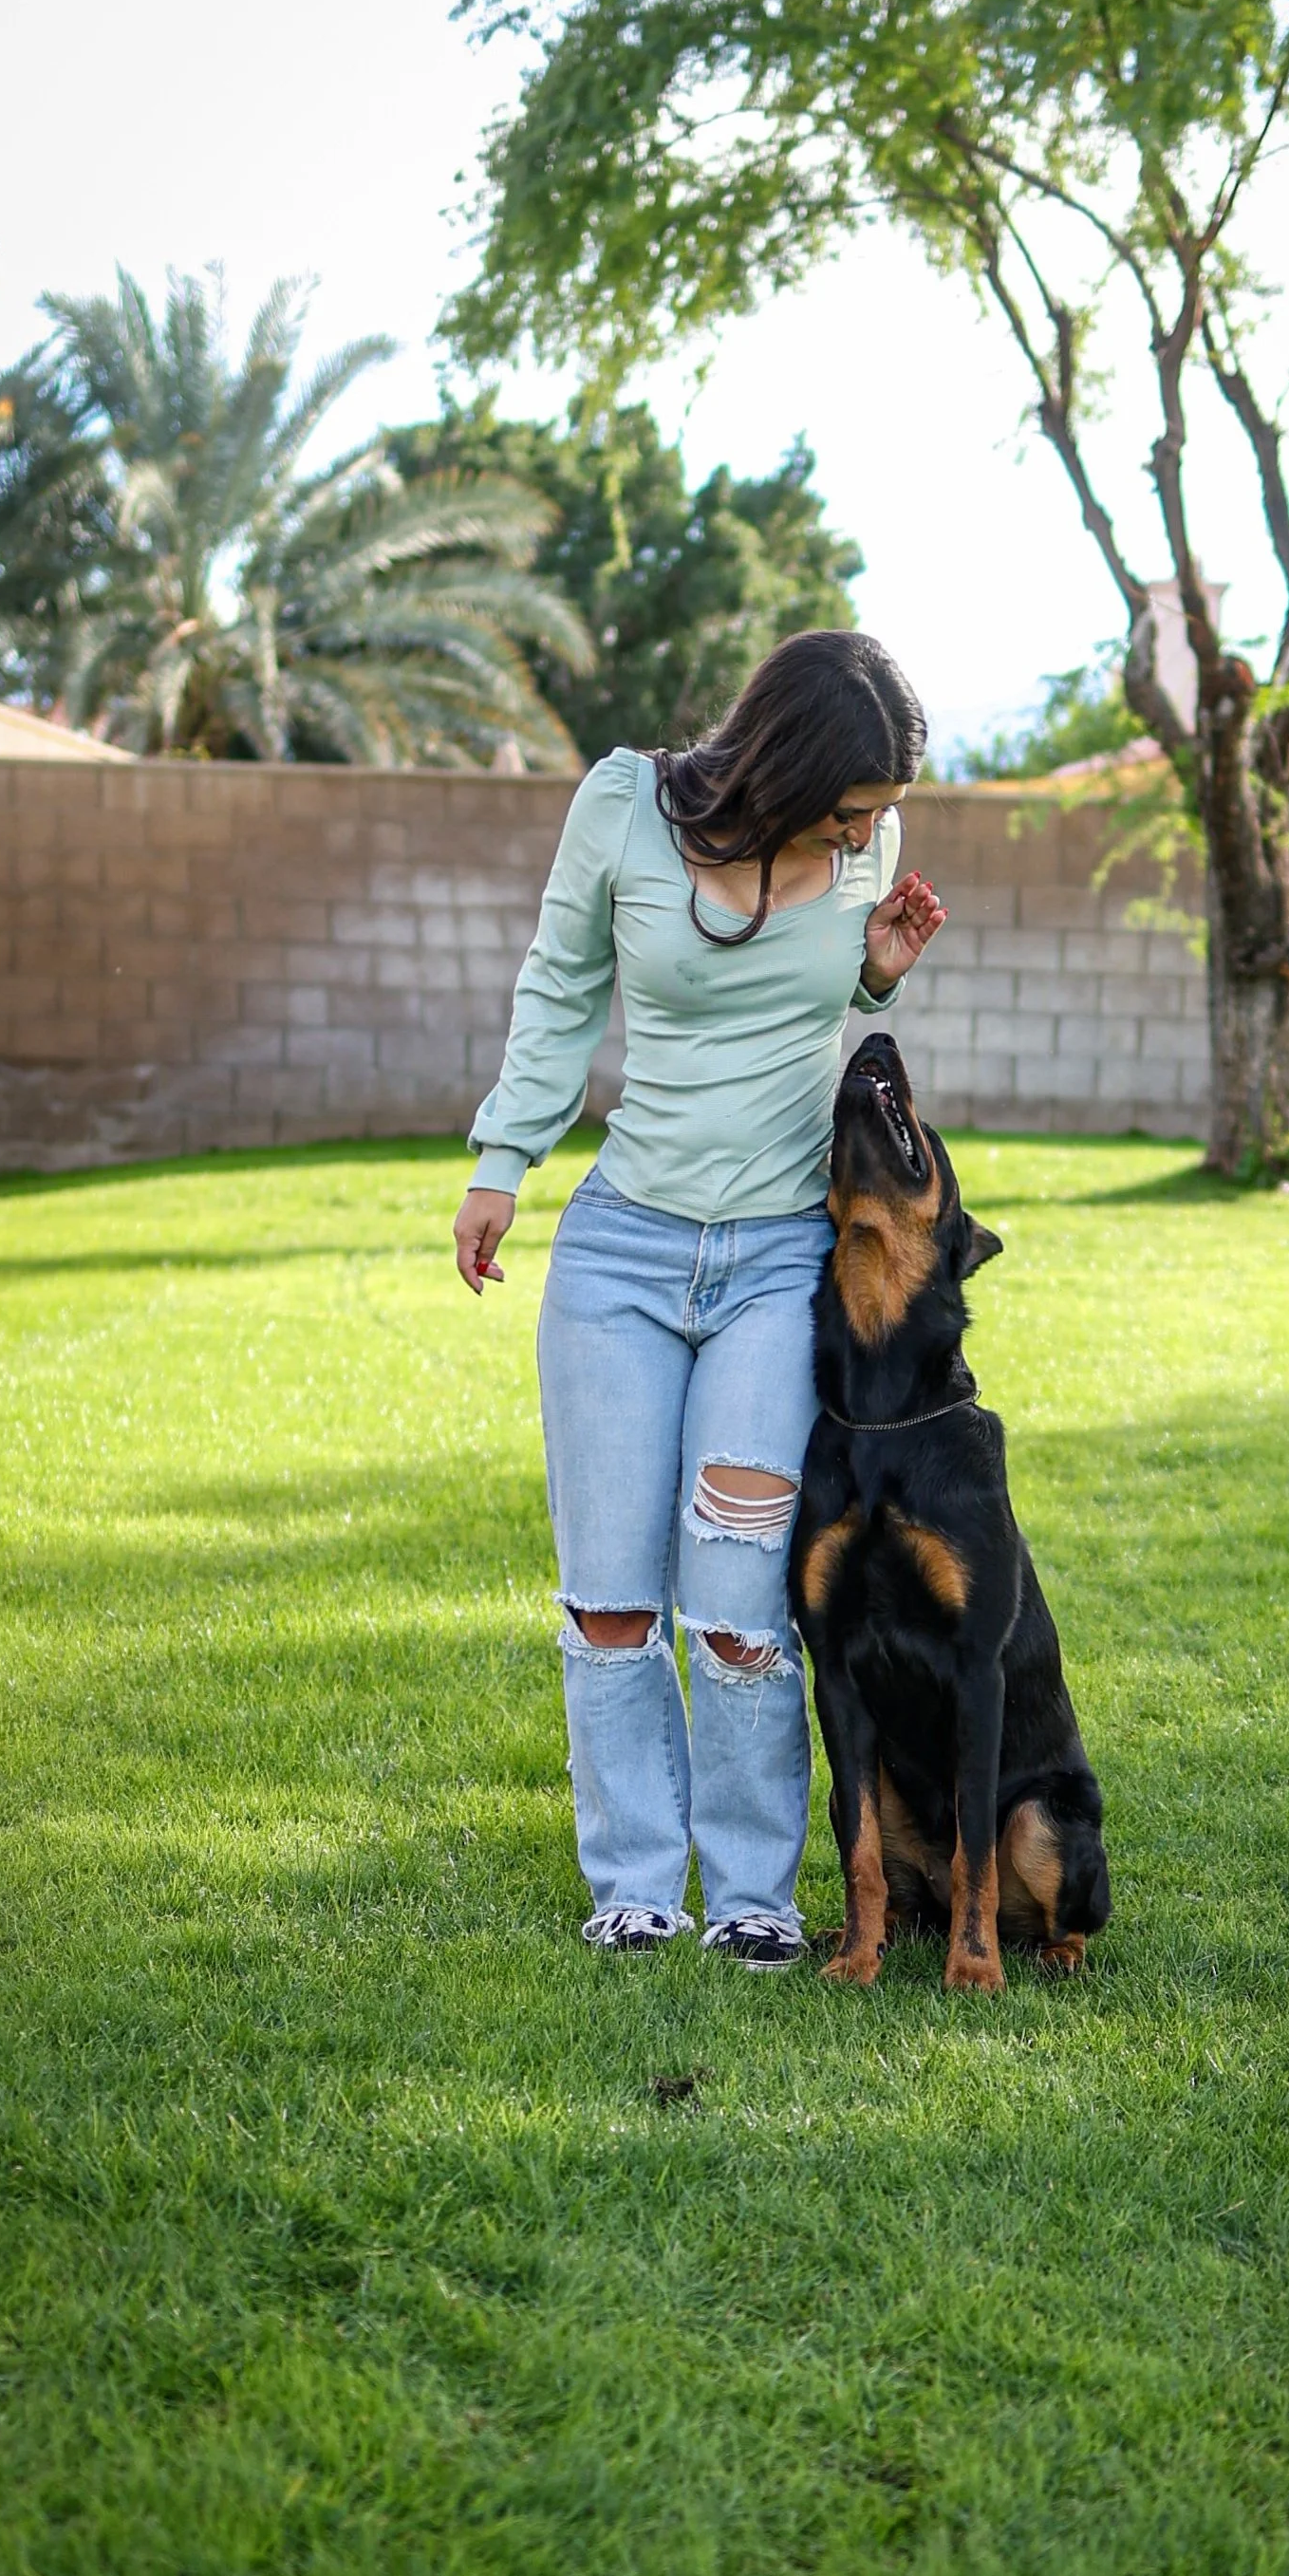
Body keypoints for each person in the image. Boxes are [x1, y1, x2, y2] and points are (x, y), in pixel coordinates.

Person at [452, 630, 947, 1968]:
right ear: (788, 763)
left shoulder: (865, 852)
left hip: (778, 1263)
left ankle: (751, 1897)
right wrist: (505, 1160)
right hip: (620, 1260)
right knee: (610, 1598)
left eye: (880, 814)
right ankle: (632, 1884)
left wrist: (875, 974)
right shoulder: (625, 803)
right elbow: (562, 986)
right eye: (853, 805)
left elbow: (809, 1006)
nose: (868, 832)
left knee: (733, 1604)